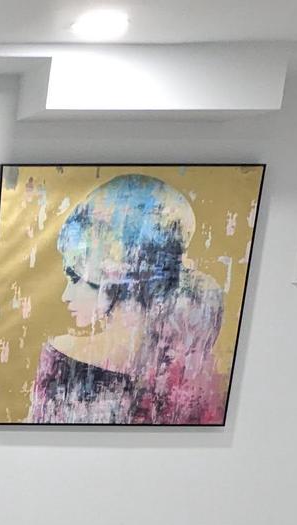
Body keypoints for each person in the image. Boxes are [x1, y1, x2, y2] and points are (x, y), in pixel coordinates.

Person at [29, 174, 227, 424]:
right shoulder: (192, 376)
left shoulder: (63, 362)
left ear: (117, 283)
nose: (65, 296)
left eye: (76, 277)